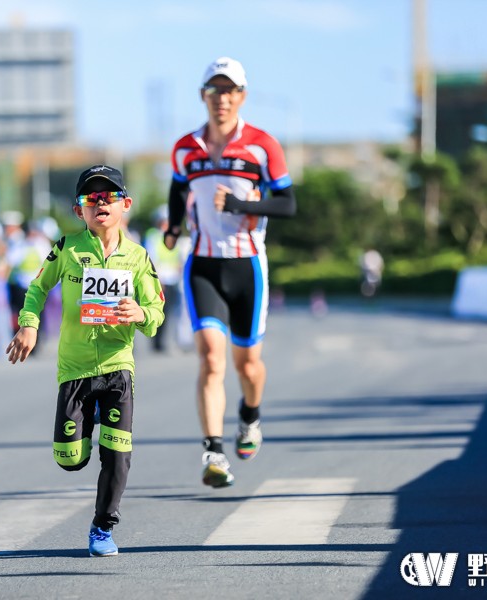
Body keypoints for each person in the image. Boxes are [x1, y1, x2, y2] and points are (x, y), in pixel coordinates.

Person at [6, 165, 165, 557]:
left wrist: (140, 314)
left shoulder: (139, 257)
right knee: (71, 459)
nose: (99, 203)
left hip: (117, 367)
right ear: (80, 210)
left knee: (117, 454)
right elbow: (38, 288)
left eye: (108, 197)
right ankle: (84, 425)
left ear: (124, 205)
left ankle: (102, 526)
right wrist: (29, 324)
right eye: (90, 198)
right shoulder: (67, 247)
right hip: (75, 370)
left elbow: (156, 312)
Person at [166, 57, 296, 488]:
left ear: (242, 96)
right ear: (203, 96)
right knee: (209, 358)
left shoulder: (262, 145)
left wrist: (242, 206)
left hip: (247, 267)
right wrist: (171, 226)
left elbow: (287, 203)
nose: (221, 98)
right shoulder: (186, 148)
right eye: (213, 90)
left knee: (249, 365)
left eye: (229, 90)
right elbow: (177, 186)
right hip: (202, 263)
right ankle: (213, 451)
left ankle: (250, 417)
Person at [143, 206, 185, 352]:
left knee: (172, 313)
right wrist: (156, 279)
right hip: (161, 279)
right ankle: (157, 341)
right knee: (160, 311)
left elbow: (178, 256)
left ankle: (169, 340)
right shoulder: (153, 236)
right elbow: (152, 258)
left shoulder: (174, 236)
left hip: (173, 278)